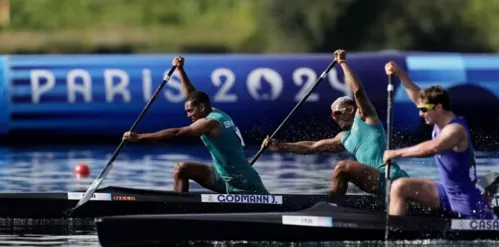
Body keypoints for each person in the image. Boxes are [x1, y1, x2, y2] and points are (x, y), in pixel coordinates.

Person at [262, 49, 409, 197]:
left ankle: (332, 205)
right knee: (343, 169)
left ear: (350, 109)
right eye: (332, 116)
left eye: (337, 113)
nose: (335, 118)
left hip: (391, 177)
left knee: (342, 168)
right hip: (377, 181)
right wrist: (280, 145)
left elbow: (357, 90)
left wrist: (342, 63)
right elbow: (311, 147)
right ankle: (338, 204)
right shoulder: (344, 138)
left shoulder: (365, 117)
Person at [123, 56, 269, 195]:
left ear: (202, 108)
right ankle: (178, 209)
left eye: (190, 111)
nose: (188, 115)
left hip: (244, 182)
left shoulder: (210, 123)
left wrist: (140, 137)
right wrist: (180, 70)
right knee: (181, 169)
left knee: (182, 164)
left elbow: (176, 133)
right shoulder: (213, 111)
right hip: (222, 177)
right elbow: (192, 95)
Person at [382, 61, 495, 219]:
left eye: (424, 110)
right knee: (399, 186)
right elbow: (416, 95)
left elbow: (433, 148)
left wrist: (396, 153)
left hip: (466, 201)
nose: (420, 114)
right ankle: (396, 229)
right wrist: (399, 72)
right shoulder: (436, 117)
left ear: (439, 107)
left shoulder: (456, 130)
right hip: (446, 194)